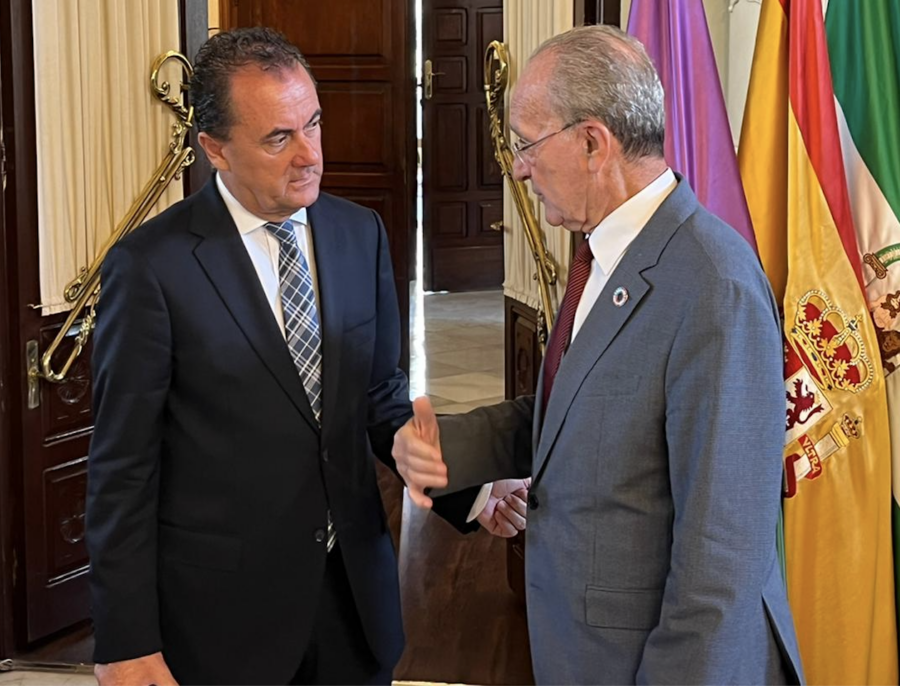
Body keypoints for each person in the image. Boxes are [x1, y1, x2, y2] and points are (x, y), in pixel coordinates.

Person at [86, 27, 521, 686]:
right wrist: (125, 641)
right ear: (216, 149)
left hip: (353, 603)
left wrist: (470, 486)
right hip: (222, 621)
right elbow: (122, 469)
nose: (311, 155)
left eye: (313, 124)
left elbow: (379, 401)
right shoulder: (150, 268)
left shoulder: (359, 233)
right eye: (278, 138)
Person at [392, 25, 805, 685]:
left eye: (528, 144)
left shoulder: (711, 284)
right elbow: (586, 405)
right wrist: (449, 447)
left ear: (591, 142)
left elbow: (721, 564)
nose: (519, 167)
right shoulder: (605, 255)